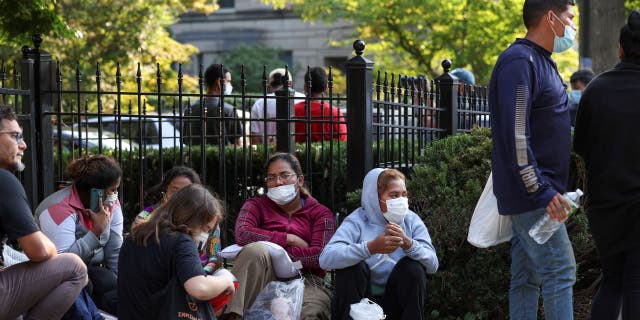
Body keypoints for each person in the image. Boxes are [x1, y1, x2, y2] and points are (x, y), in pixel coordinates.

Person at [489, 1, 578, 319]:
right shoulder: (520, 62)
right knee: (560, 271)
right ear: (551, 17)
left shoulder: (539, 61)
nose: (572, 26)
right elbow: (517, 135)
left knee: (527, 277)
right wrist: (541, 190)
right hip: (535, 196)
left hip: (539, 193)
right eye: (569, 17)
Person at [573, 11, 640, 319]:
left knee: (612, 282)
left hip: (606, 205)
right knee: (637, 285)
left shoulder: (597, 90)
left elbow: (581, 148)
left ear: (620, 48)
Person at [220, 152, 336, 320]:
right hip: (264, 274)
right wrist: (288, 239)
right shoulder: (255, 205)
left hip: (307, 279)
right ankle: (233, 316)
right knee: (254, 250)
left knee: (308, 313)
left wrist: (284, 256)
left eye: (284, 175)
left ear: (300, 180)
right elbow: (243, 234)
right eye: (271, 178)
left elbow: (320, 255)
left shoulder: (320, 213)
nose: (278, 182)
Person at [0, 104, 88, 319]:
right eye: (15, 136)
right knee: (75, 267)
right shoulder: (3, 180)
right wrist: (54, 251)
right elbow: (38, 250)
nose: (24, 145)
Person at [320, 168, 438, 320]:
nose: (401, 201)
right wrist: (370, 248)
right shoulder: (357, 220)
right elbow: (326, 258)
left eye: (404, 195)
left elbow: (433, 264)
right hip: (361, 304)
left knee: (413, 269)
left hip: (397, 302)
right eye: (394, 195)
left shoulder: (411, 220)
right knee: (352, 268)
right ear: (375, 197)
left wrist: (408, 244)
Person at [118, 184, 235, 319]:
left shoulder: (134, 237)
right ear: (192, 218)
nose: (205, 235)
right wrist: (226, 279)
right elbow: (199, 288)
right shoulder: (182, 241)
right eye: (206, 229)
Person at [36, 154, 123, 315]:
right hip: (54, 276)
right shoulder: (58, 208)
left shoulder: (110, 204)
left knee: (110, 281)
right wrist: (96, 232)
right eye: (113, 190)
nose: (115, 195)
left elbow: (115, 250)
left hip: (90, 269)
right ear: (96, 192)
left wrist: (121, 288)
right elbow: (63, 264)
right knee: (85, 284)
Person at [132, 165, 223, 274]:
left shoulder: (209, 221)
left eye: (186, 192)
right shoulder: (146, 216)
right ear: (165, 191)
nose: (180, 197)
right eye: (175, 190)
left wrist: (202, 274)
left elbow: (216, 258)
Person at [183, 64, 244, 146]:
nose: (230, 85)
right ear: (219, 82)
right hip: (223, 158)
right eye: (228, 81)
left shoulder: (190, 108)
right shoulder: (229, 110)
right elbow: (237, 144)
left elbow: (185, 140)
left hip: (195, 157)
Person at [250, 68, 306, 145]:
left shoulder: (260, 103)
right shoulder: (302, 99)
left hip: (269, 152)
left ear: (270, 86)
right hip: (297, 150)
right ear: (290, 83)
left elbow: (255, 136)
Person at [294, 67, 347, 143]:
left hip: (296, 154)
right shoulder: (335, 113)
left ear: (305, 87)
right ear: (326, 88)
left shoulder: (293, 110)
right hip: (328, 154)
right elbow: (342, 142)